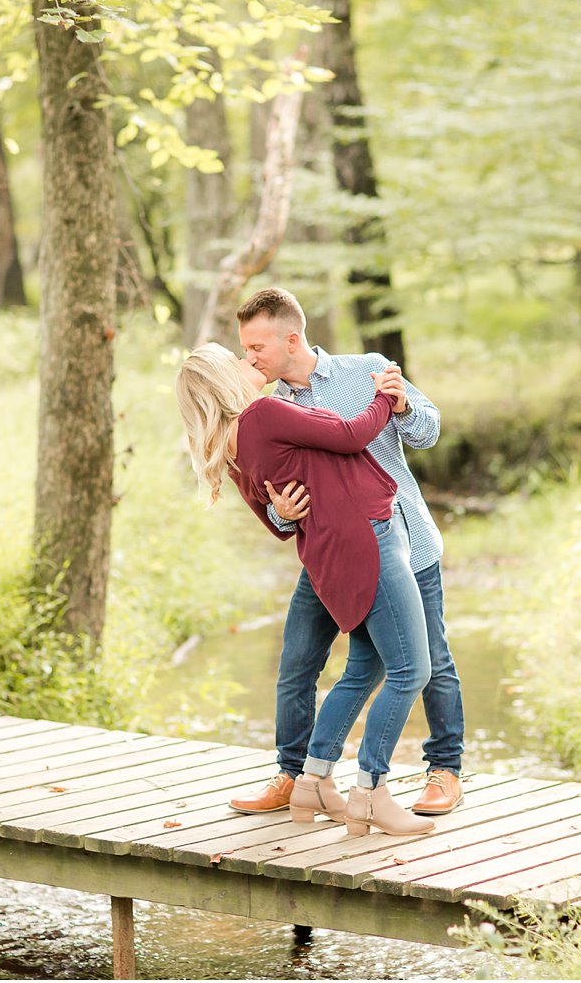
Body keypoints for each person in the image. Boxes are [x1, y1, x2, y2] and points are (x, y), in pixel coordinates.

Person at [176, 343, 436, 836]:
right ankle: (371, 792)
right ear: (221, 382)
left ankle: (312, 781)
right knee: (410, 669)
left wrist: (286, 513)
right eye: (236, 360)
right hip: (367, 537)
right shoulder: (265, 415)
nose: (247, 361)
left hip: (329, 548)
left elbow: (276, 524)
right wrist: (384, 396)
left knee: (365, 666)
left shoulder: (228, 445)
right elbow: (352, 435)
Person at [227, 287, 466, 817]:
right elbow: (268, 508)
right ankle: (294, 776)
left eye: (257, 347)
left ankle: (444, 770)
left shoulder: (369, 370)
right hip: (326, 554)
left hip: (403, 539)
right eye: (244, 349)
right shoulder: (264, 408)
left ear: (292, 339)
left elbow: (429, 430)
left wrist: (400, 404)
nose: (249, 358)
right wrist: (281, 516)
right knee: (297, 665)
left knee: (431, 660)